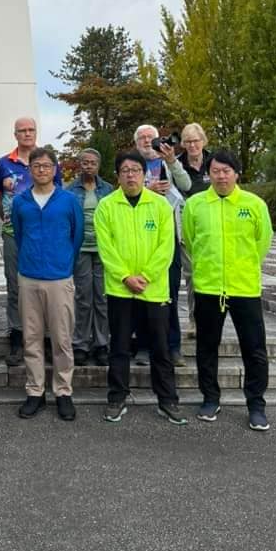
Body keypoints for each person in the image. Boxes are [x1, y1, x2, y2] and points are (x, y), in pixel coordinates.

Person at [181, 149, 273, 431]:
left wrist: (242, 268)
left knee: (254, 349)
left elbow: (263, 241)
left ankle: (256, 404)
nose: (221, 176)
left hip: (244, 288)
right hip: (208, 287)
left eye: (226, 171)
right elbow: (190, 240)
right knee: (206, 347)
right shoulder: (196, 204)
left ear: (236, 173)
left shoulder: (254, 204)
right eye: (216, 171)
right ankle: (210, 398)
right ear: (208, 174)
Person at [94, 151, 186, 426]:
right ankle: (117, 397)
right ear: (118, 176)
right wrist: (125, 277)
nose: (131, 175)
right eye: (125, 170)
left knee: (160, 347)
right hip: (120, 290)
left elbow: (166, 246)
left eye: (135, 169)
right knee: (120, 346)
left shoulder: (159, 205)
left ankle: (167, 400)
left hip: (154, 288)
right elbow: (105, 247)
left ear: (145, 174)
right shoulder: (107, 206)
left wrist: (145, 276)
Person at [12, 148, 83, 422]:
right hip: (29, 276)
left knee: (62, 339)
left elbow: (76, 237)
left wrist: (63, 262)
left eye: (46, 165)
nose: (41, 170)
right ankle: (35, 391)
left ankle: (63, 392)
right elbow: (19, 235)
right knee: (31, 338)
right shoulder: (21, 202)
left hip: (59, 277)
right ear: (29, 170)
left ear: (55, 169)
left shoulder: (68, 201)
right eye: (36, 166)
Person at [0, 118, 63, 366]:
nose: (27, 134)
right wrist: (8, 221)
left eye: (31, 129)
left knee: (46, 285)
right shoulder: (3, 163)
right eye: (22, 130)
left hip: (45, 236)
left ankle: (44, 336)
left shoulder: (49, 161)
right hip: (13, 234)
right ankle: (17, 334)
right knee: (15, 285)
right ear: (15, 134)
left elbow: (59, 196)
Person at [134, 124, 191, 366]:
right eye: (142, 138)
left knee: (169, 295)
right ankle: (144, 346)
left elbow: (187, 185)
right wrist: (148, 189)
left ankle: (173, 346)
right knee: (142, 294)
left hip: (169, 237)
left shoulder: (170, 162)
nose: (147, 141)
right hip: (141, 240)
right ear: (136, 143)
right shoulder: (133, 165)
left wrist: (172, 161)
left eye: (151, 137)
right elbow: (124, 193)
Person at [67, 149, 113, 366]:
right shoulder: (70, 191)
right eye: (84, 162)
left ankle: (102, 343)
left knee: (102, 298)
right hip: (81, 247)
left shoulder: (109, 190)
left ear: (98, 166)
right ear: (79, 165)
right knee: (83, 297)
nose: (88, 166)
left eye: (93, 163)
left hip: (103, 248)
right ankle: (81, 343)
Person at [179, 122, 212, 336]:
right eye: (188, 141)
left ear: (203, 141)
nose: (192, 145)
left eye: (196, 141)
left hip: (210, 225)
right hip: (186, 224)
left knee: (207, 274)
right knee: (191, 274)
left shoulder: (214, 161)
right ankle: (194, 320)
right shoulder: (176, 164)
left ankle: (208, 319)